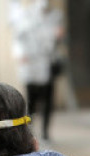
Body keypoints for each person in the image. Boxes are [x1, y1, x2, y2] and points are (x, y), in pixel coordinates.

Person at [13, 0, 63, 141]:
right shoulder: (26, 16)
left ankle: (45, 132)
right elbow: (19, 38)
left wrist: (57, 35)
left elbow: (55, 39)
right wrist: (21, 54)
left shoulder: (55, 16)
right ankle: (30, 131)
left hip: (47, 63)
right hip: (32, 65)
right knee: (31, 100)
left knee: (48, 99)